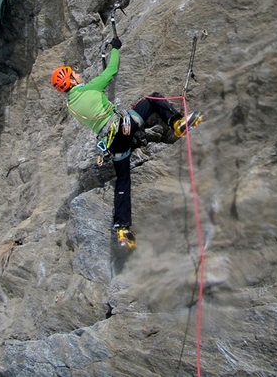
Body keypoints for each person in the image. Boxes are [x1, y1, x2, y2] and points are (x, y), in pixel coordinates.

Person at [51, 37, 202, 248]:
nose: (78, 73)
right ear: (71, 81)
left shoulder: (71, 106)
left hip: (113, 144)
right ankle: (177, 123)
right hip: (124, 126)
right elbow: (111, 71)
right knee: (152, 99)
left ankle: (123, 229)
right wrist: (115, 49)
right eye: (74, 73)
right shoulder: (90, 88)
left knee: (123, 180)